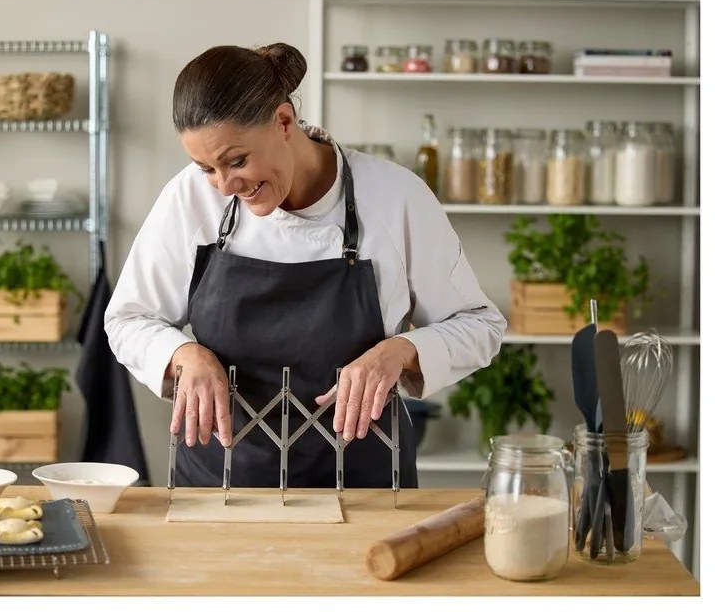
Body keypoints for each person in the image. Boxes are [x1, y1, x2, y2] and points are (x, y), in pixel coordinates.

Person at [105, 42, 506, 489]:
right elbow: (128, 319)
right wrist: (182, 354)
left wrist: (400, 352)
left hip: (362, 488)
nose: (223, 186)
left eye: (236, 161)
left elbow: (479, 325)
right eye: (206, 168)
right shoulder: (189, 198)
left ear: (283, 121)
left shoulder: (394, 197)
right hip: (220, 487)